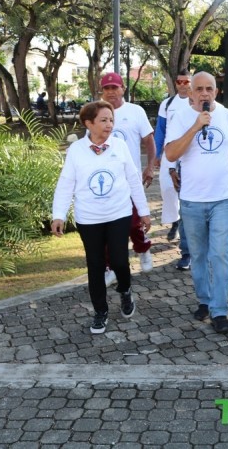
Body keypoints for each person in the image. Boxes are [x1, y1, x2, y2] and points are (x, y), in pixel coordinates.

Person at [51, 100, 151, 334]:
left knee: (119, 261)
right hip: (89, 218)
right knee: (95, 265)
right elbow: (66, 184)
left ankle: (125, 290)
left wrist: (144, 211)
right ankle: (100, 311)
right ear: (89, 123)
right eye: (103, 120)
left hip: (119, 213)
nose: (109, 124)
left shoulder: (119, 146)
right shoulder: (76, 150)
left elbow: (133, 180)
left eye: (111, 120)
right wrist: (58, 215)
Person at [164, 72, 228, 334]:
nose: (204, 93)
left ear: (216, 91)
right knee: (199, 255)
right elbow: (170, 154)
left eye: (209, 88)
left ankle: (220, 310)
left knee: (220, 255)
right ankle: (205, 299)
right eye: (199, 89)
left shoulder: (227, 116)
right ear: (190, 93)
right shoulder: (180, 117)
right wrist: (195, 127)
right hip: (192, 200)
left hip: (222, 199)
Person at [99, 72, 157, 273]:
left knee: (133, 223)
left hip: (131, 179)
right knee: (107, 226)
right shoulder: (96, 112)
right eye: (106, 88)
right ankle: (109, 268)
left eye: (114, 87)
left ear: (123, 89)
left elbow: (149, 141)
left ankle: (143, 249)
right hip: (107, 181)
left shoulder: (135, 111)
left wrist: (150, 167)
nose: (111, 92)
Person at [154, 72, 192, 271]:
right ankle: (175, 220)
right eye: (180, 81)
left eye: (187, 81)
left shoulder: (196, 102)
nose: (183, 84)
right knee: (168, 189)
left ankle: (186, 249)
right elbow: (160, 129)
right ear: (176, 84)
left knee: (186, 197)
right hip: (170, 152)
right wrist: (157, 153)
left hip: (190, 154)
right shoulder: (167, 104)